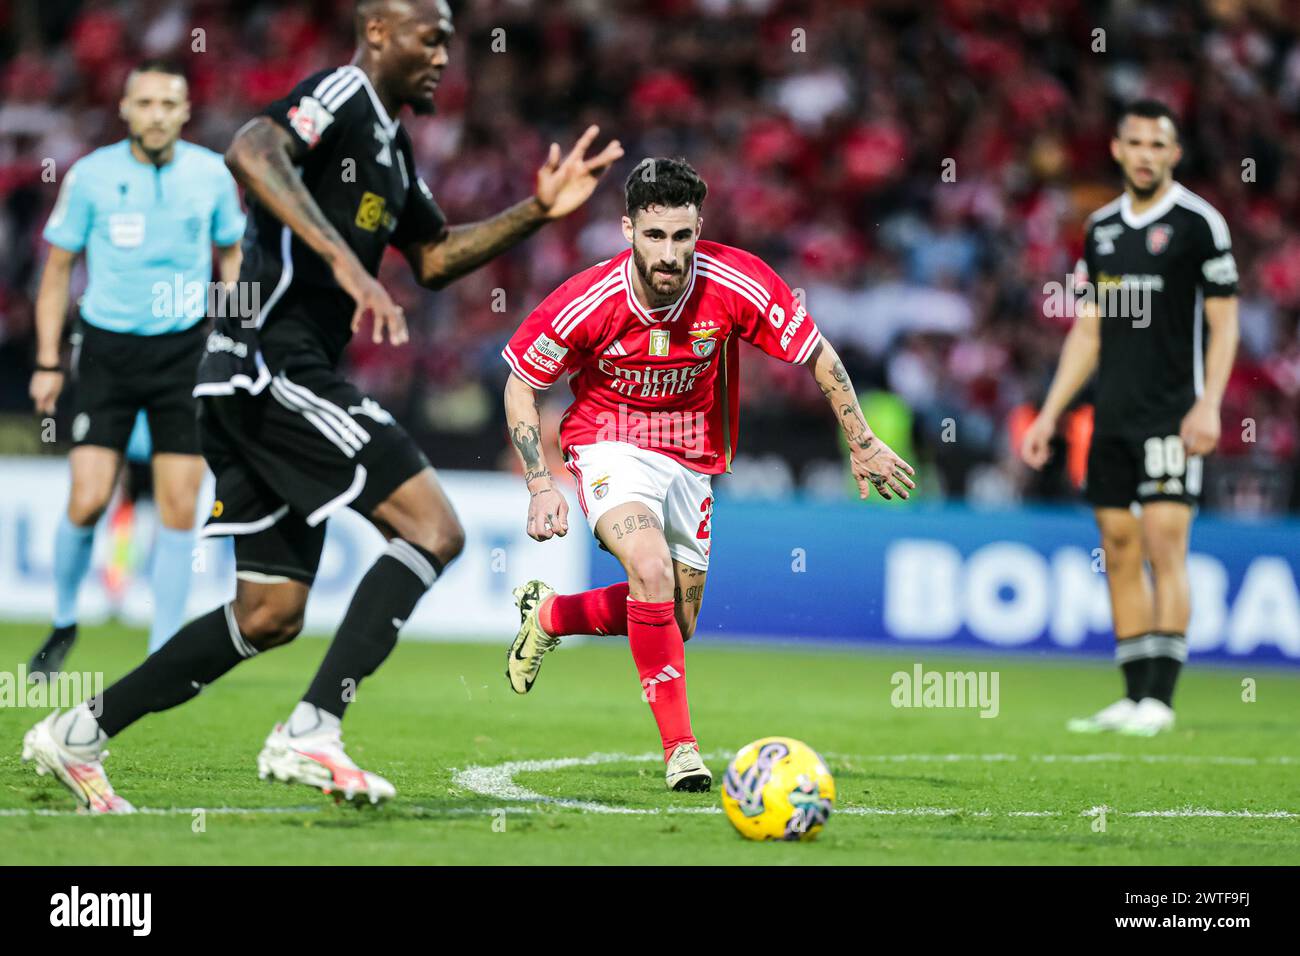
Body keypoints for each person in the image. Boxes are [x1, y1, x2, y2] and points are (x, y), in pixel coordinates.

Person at [22, 0, 622, 813]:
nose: (445, 54)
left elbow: (436, 257)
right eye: (430, 37)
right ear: (379, 33)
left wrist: (536, 213)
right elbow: (250, 147)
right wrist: (344, 261)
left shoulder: (391, 146)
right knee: (433, 529)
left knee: (268, 612)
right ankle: (312, 729)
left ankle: (78, 733)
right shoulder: (342, 93)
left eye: (449, 40)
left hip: (252, 377)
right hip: (267, 364)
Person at [501, 158, 914, 791]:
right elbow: (521, 384)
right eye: (655, 236)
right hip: (607, 441)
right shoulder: (591, 300)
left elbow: (819, 355)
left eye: (683, 236)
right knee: (650, 568)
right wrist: (538, 482)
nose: (670, 254)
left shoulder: (736, 282)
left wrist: (860, 441)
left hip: (691, 456)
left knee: (675, 619)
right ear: (628, 231)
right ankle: (682, 752)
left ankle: (552, 616)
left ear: (701, 228)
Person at [1021, 100, 1239, 736]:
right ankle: (1132, 692)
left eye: (1158, 144)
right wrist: (1050, 414)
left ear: (1173, 154)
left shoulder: (1201, 224)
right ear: (1118, 150)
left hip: (1173, 413)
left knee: (1165, 544)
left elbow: (1225, 324)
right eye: (1135, 143)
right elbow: (1089, 330)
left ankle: (1161, 701)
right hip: (1111, 415)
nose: (1146, 154)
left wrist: (1210, 403)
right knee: (1118, 547)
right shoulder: (1102, 229)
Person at [28, 59, 245, 671]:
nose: (156, 114)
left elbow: (231, 256)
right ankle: (64, 619)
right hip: (106, 352)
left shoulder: (211, 176)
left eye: (167, 104)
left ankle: (163, 650)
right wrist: (48, 362)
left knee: (180, 505)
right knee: (89, 499)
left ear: (184, 112)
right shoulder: (91, 176)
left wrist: (235, 340)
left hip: (184, 352)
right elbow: (56, 272)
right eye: (144, 103)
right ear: (125, 108)